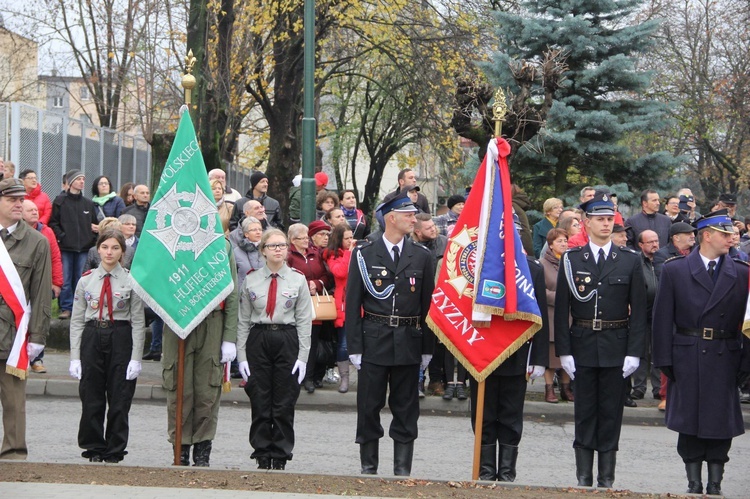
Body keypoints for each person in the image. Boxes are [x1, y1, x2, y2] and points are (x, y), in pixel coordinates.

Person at [652, 209, 750, 496]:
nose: (732, 238)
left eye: (732, 233)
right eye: (725, 234)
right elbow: (661, 320)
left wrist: (746, 361)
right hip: (688, 354)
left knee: (720, 423)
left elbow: (747, 323)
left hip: (726, 354)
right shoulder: (675, 270)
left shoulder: (743, 273)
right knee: (690, 423)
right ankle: (694, 482)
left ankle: (715, 482)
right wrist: (664, 360)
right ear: (706, 236)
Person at [554, 192, 647, 488]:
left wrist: (634, 352)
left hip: (616, 345)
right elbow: (562, 311)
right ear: (586, 222)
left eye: (610, 219)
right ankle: (584, 478)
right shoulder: (572, 259)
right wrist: (564, 351)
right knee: (584, 413)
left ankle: (606, 478)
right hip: (582, 343)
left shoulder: (629, 261)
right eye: (600, 219)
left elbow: (640, 311)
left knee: (610, 413)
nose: (607, 224)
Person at [345, 189, 436, 476]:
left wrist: (427, 348)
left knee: (406, 408)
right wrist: (355, 347)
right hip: (374, 339)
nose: (414, 219)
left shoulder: (421, 255)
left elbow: (427, 306)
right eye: (408, 215)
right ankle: (369, 468)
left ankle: (402, 471)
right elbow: (353, 304)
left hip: (409, 341)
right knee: (369, 406)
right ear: (391, 218)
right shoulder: (365, 253)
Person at [236, 229, 312, 470]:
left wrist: (303, 356)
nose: (278, 249)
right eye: (272, 246)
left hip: (287, 338)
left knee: (284, 400)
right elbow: (243, 320)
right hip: (259, 339)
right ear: (263, 251)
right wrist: (241, 356)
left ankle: (280, 453)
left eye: (282, 245)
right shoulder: (252, 279)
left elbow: (304, 321)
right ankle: (261, 452)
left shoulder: (297, 279)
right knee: (260, 398)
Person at [68, 228, 145, 463]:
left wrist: (136, 357)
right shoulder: (86, 280)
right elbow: (77, 320)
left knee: (120, 397)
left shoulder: (131, 280)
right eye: (104, 247)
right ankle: (93, 447)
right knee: (91, 396)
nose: (109, 252)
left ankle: (115, 448)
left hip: (120, 336)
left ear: (122, 251)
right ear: (97, 249)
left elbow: (139, 321)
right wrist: (75, 356)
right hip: (93, 335)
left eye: (115, 247)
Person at [472, 251, 549, 481]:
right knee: (482, 415)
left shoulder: (532, 269)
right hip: (481, 353)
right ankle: (485, 472)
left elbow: (540, 315)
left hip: (516, 354)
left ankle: (506, 473)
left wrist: (539, 357)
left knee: (511, 416)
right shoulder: (478, 266)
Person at [161, 241, 239, 467]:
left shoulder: (221, 245)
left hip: (212, 320)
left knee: (208, 390)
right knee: (178, 387)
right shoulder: (171, 243)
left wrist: (229, 337)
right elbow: (158, 281)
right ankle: (181, 447)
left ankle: (203, 449)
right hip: (178, 320)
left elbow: (231, 292)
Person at [0, 178, 51, 460]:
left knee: (14, 402)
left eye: (21, 199)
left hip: (13, 335)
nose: (19, 204)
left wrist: (38, 338)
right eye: (12, 200)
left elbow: (41, 294)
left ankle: (13, 456)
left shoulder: (36, 242)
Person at [287, 222, 332, 393]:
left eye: (307, 237)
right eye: (302, 238)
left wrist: (317, 284)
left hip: (314, 305)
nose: (307, 241)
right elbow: (286, 277)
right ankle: (294, 377)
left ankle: (309, 378)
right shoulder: (289, 255)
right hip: (295, 305)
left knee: (312, 342)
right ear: (293, 240)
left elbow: (326, 277)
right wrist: (305, 285)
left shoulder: (315, 254)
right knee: (295, 342)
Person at [49, 170, 99, 320]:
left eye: (83, 179)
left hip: (84, 248)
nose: (82, 182)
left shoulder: (88, 203)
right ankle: (66, 308)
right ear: (70, 182)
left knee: (81, 279)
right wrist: (62, 237)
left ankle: (80, 308)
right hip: (65, 248)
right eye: (78, 179)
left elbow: (95, 224)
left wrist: (91, 238)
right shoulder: (60, 201)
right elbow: (53, 223)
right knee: (65, 279)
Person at [540, 228, 573, 403]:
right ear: (551, 245)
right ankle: (549, 389)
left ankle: (566, 388)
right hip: (551, 314)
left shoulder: (570, 262)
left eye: (565, 241)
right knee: (551, 356)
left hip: (569, 316)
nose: (563, 244)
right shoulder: (542, 264)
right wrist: (559, 297)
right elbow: (540, 290)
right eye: (559, 241)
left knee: (568, 353)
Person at [323, 223, 356, 393]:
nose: (351, 240)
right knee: (343, 344)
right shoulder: (333, 255)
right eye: (347, 238)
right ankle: (344, 379)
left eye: (352, 237)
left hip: (361, 303)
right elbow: (340, 272)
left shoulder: (358, 252)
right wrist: (349, 252)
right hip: (343, 303)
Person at [234, 217, 264, 288]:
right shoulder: (236, 252)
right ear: (246, 234)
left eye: (260, 229)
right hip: (243, 293)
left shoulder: (268, 249)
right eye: (254, 230)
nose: (258, 232)